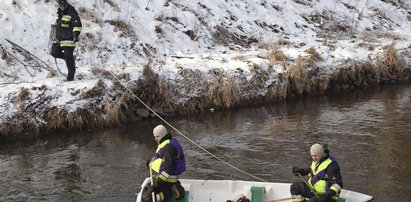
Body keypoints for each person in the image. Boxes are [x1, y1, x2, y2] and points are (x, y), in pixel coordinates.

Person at [142, 125, 186, 202]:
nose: (155, 139)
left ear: (162, 135)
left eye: (157, 136)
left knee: (147, 198)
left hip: (167, 178)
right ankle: (174, 186)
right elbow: (162, 159)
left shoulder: (168, 147)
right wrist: (151, 163)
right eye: (154, 136)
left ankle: (169, 193)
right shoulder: (168, 142)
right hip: (166, 177)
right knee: (146, 188)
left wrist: (158, 183)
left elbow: (169, 168)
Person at [50, 0, 82, 81]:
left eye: (63, 6)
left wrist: (75, 35)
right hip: (59, 39)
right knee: (54, 52)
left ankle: (70, 77)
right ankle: (71, 58)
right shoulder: (59, 12)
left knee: (68, 57)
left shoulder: (72, 12)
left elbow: (77, 25)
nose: (62, 7)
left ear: (66, 4)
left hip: (69, 39)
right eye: (61, 6)